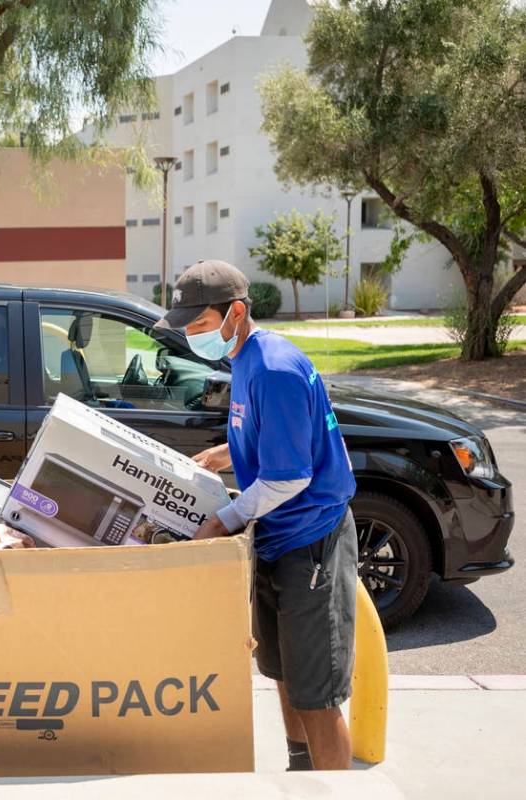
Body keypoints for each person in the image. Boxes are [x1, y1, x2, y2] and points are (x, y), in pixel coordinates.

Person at [155, 260, 357, 771]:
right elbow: (276, 437)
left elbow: (290, 477)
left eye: (199, 326)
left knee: (317, 692)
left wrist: (223, 519)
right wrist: (226, 453)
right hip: (277, 535)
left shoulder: (273, 368)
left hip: (311, 538)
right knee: (283, 671)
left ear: (236, 312)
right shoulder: (245, 358)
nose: (192, 338)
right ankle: (301, 769)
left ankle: (331, 785)